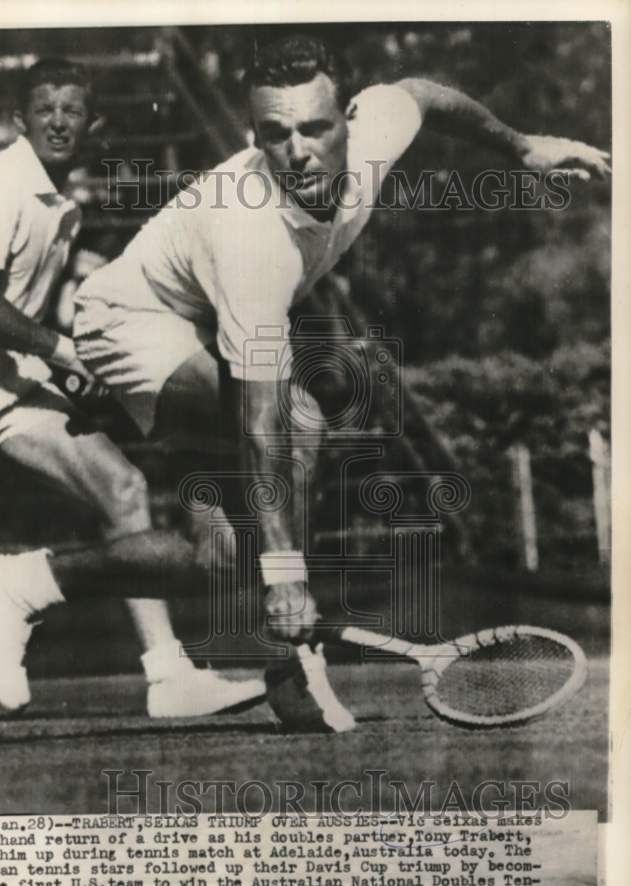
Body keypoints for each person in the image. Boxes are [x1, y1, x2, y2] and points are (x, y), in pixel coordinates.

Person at [67, 33, 609, 726]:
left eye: (316, 128)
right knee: (298, 422)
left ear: (347, 121)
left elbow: (422, 94)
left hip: (204, 323)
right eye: (275, 133)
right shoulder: (249, 234)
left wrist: (521, 146)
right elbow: (262, 422)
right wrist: (287, 580)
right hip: (128, 322)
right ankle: (290, 666)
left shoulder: (376, 129)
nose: (298, 151)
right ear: (254, 135)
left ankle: (25, 583)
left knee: (222, 553)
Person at [0, 58, 265, 717]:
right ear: (19, 121)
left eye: (72, 109)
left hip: (1, 383)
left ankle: (167, 675)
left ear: (93, 123)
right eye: (45, 109)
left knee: (124, 487)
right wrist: (63, 354)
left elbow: (13, 315)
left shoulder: (63, 207)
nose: (59, 120)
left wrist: (60, 370)